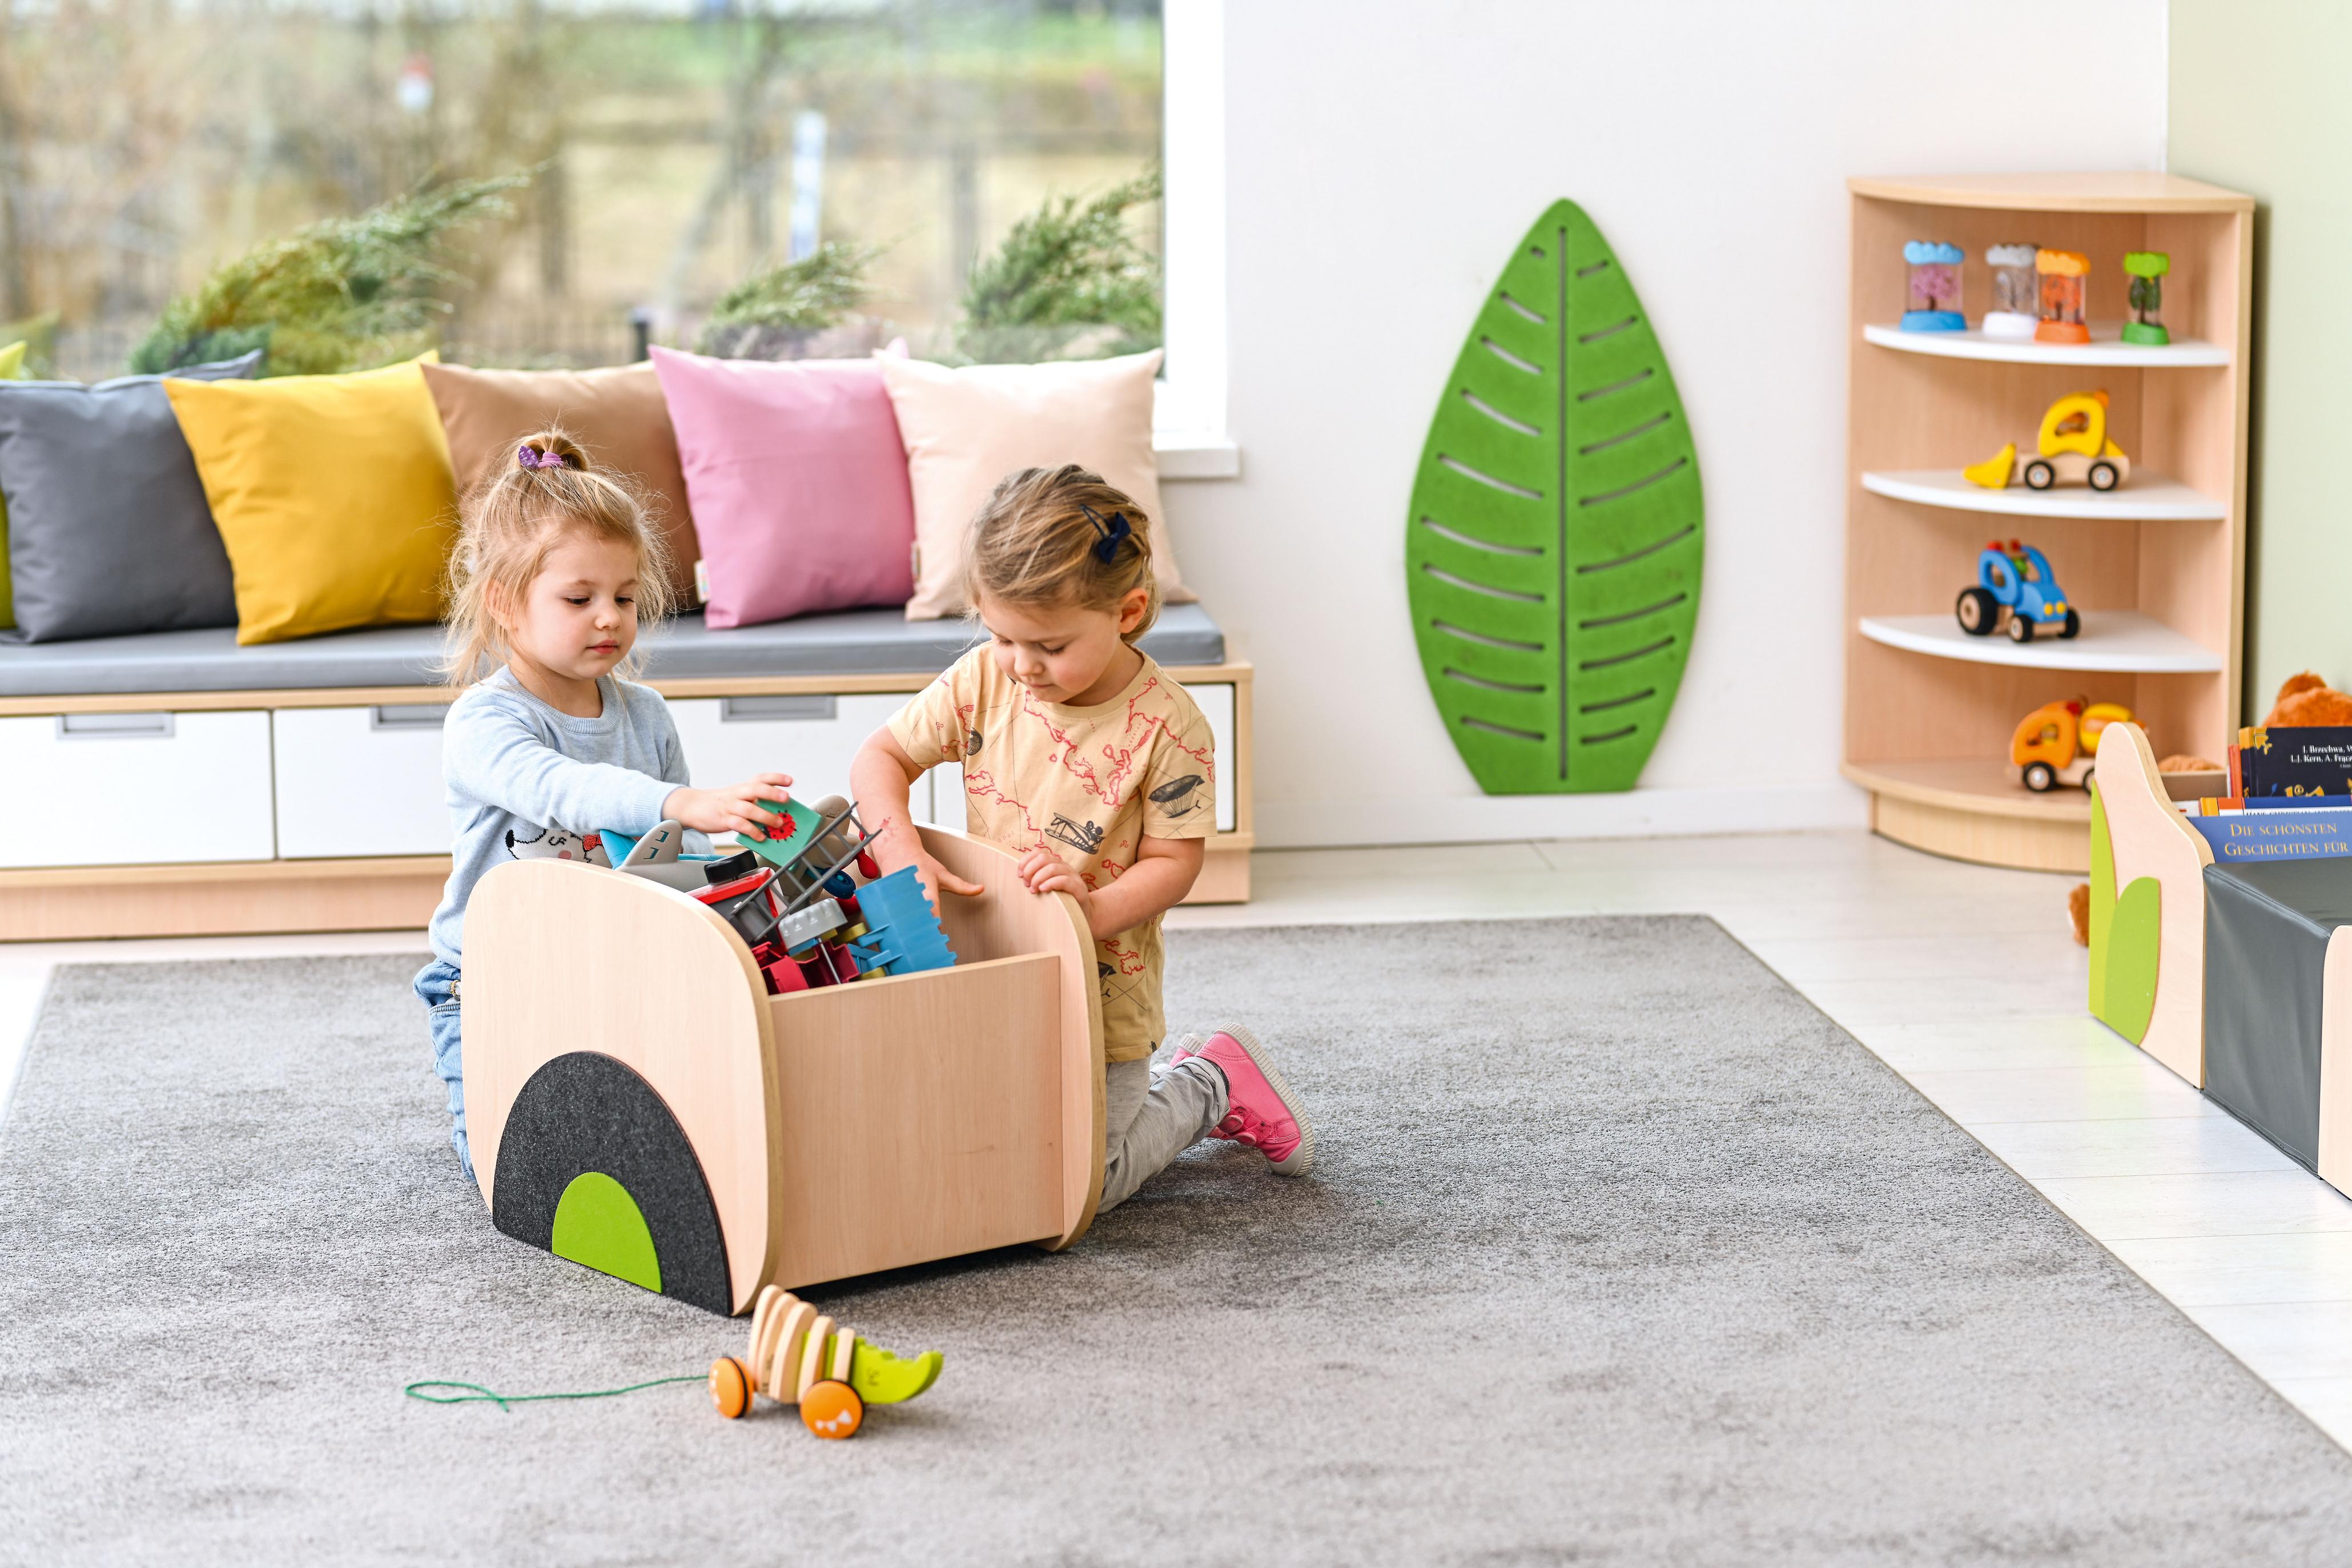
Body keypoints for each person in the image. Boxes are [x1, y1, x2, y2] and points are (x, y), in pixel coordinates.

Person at [850, 464, 1314, 1212]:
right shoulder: (983, 680)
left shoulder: (1171, 728)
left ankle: (1211, 1080)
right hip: (1001, 964)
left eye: (1050, 645)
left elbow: (1176, 862)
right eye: (1002, 636)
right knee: (986, 1141)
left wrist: (1087, 911)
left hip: (1105, 996)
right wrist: (902, 852)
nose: (1022, 665)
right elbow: (880, 758)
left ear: (1128, 612)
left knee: (1080, 1185)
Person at [416, 431, 794, 1179]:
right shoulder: (484, 722)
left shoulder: (646, 714)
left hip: (613, 974)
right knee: (515, 1173)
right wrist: (682, 801)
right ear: (505, 602)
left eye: (624, 597)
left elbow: (682, 860)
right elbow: (562, 788)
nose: (609, 617)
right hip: (493, 986)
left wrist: (740, 875)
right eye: (579, 599)